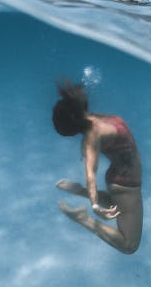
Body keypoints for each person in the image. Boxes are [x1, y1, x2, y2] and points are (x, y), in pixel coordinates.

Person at [52, 81, 142, 255]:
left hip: (122, 180)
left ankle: (79, 190)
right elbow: (90, 173)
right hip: (126, 185)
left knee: (116, 205)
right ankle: (83, 218)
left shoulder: (95, 119)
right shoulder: (93, 134)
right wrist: (94, 206)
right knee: (129, 245)